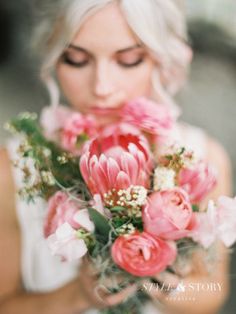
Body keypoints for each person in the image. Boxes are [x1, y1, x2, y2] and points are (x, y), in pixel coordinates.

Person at [0, 1, 232, 313]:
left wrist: (158, 280)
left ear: (160, 60)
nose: (101, 87)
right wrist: (80, 295)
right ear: (53, 57)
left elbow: (212, 293)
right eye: (76, 59)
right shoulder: (13, 169)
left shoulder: (203, 159)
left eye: (129, 60)